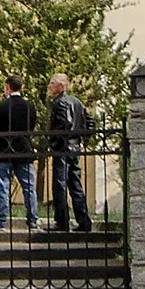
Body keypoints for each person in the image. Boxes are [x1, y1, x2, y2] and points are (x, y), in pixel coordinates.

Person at [45, 72, 94, 233]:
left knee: (60, 185)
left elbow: (63, 125)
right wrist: (83, 142)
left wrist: (55, 144)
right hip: (74, 147)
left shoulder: (61, 103)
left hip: (63, 148)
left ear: (60, 86)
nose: (49, 86)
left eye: (52, 83)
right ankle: (84, 221)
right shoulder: (76, 102)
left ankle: (62, 221)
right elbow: (90, 122)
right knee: (75, 185)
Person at [0, 76, 40, 229]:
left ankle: (1, 220)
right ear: (21, 87)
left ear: (7, 87)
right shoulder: (29, 106)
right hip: (23, 151)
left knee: (3, 187)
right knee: (29, 187)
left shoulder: (0, 107)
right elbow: (31, 127)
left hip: (4, 150)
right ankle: (32, 220)